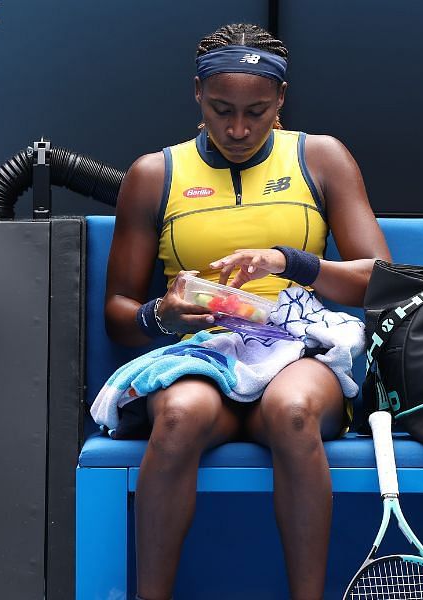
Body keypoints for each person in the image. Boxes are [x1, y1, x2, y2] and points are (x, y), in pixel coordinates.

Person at [102, 23, 389, 600]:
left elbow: (381, 282)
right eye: (221, 109)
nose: (237, 128)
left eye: (256, 111)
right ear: (197, 95)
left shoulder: (322, 157)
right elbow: (119, 310)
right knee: (179, 416)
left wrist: (290, 261)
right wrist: (163, 316)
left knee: (292, 411)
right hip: (203, 352)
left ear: (280, 101)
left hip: (300, 343)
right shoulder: (154, 174)